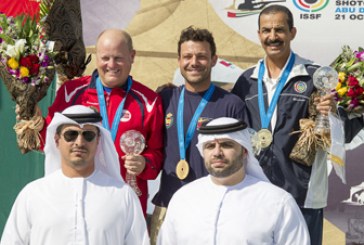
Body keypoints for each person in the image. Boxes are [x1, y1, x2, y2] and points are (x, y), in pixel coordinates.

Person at [231, 4, 364, 245]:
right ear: (259, 34)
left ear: (292, 32)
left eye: (279, 30)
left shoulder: (315, 76)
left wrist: (333, 114)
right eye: (266, 30)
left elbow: (344, 134)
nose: (273, 37)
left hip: (303, 196)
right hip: (255, 192)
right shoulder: (246, 81)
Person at [31, 28, 164, 215]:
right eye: (105, 58)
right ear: (96, 56)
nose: (111, 64)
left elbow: (157, 155)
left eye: (118, 58)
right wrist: (31, 120)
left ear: (132, 56)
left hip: (124, 202)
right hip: (76, 197)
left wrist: (144, 163)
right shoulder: (72, 92)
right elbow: (50, 141)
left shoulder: (149, 101)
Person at [150, 26, 246, 244]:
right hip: (169, 204)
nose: (194, 62)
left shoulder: (232, 105)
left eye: (201, 56)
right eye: (187, 56)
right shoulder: (164, 98)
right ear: (179, 60)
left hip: (214, 210)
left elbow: (243, 162)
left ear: (214, 60)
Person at [0, 105, 149, 244]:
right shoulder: (33, 194)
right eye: (71, 134)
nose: (79, 142)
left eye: (88, 135)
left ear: (98, 141)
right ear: (57, 140)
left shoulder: (123, 195)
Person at [157, 117, 310, 244]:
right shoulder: (184, 199)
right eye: (210, 146)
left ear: (244, 151)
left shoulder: (277, 202)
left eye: (226, 145)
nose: (217, 153)